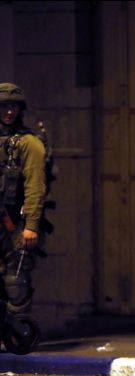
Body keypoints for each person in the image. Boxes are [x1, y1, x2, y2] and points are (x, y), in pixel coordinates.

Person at [0, 83, 47, 338]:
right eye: (4, 106)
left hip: (14, 224)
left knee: (15, 283)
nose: (9, 112)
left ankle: (17, 335)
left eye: (13, 106)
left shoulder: (29, 144)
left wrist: (31, 225)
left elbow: (35, 187)